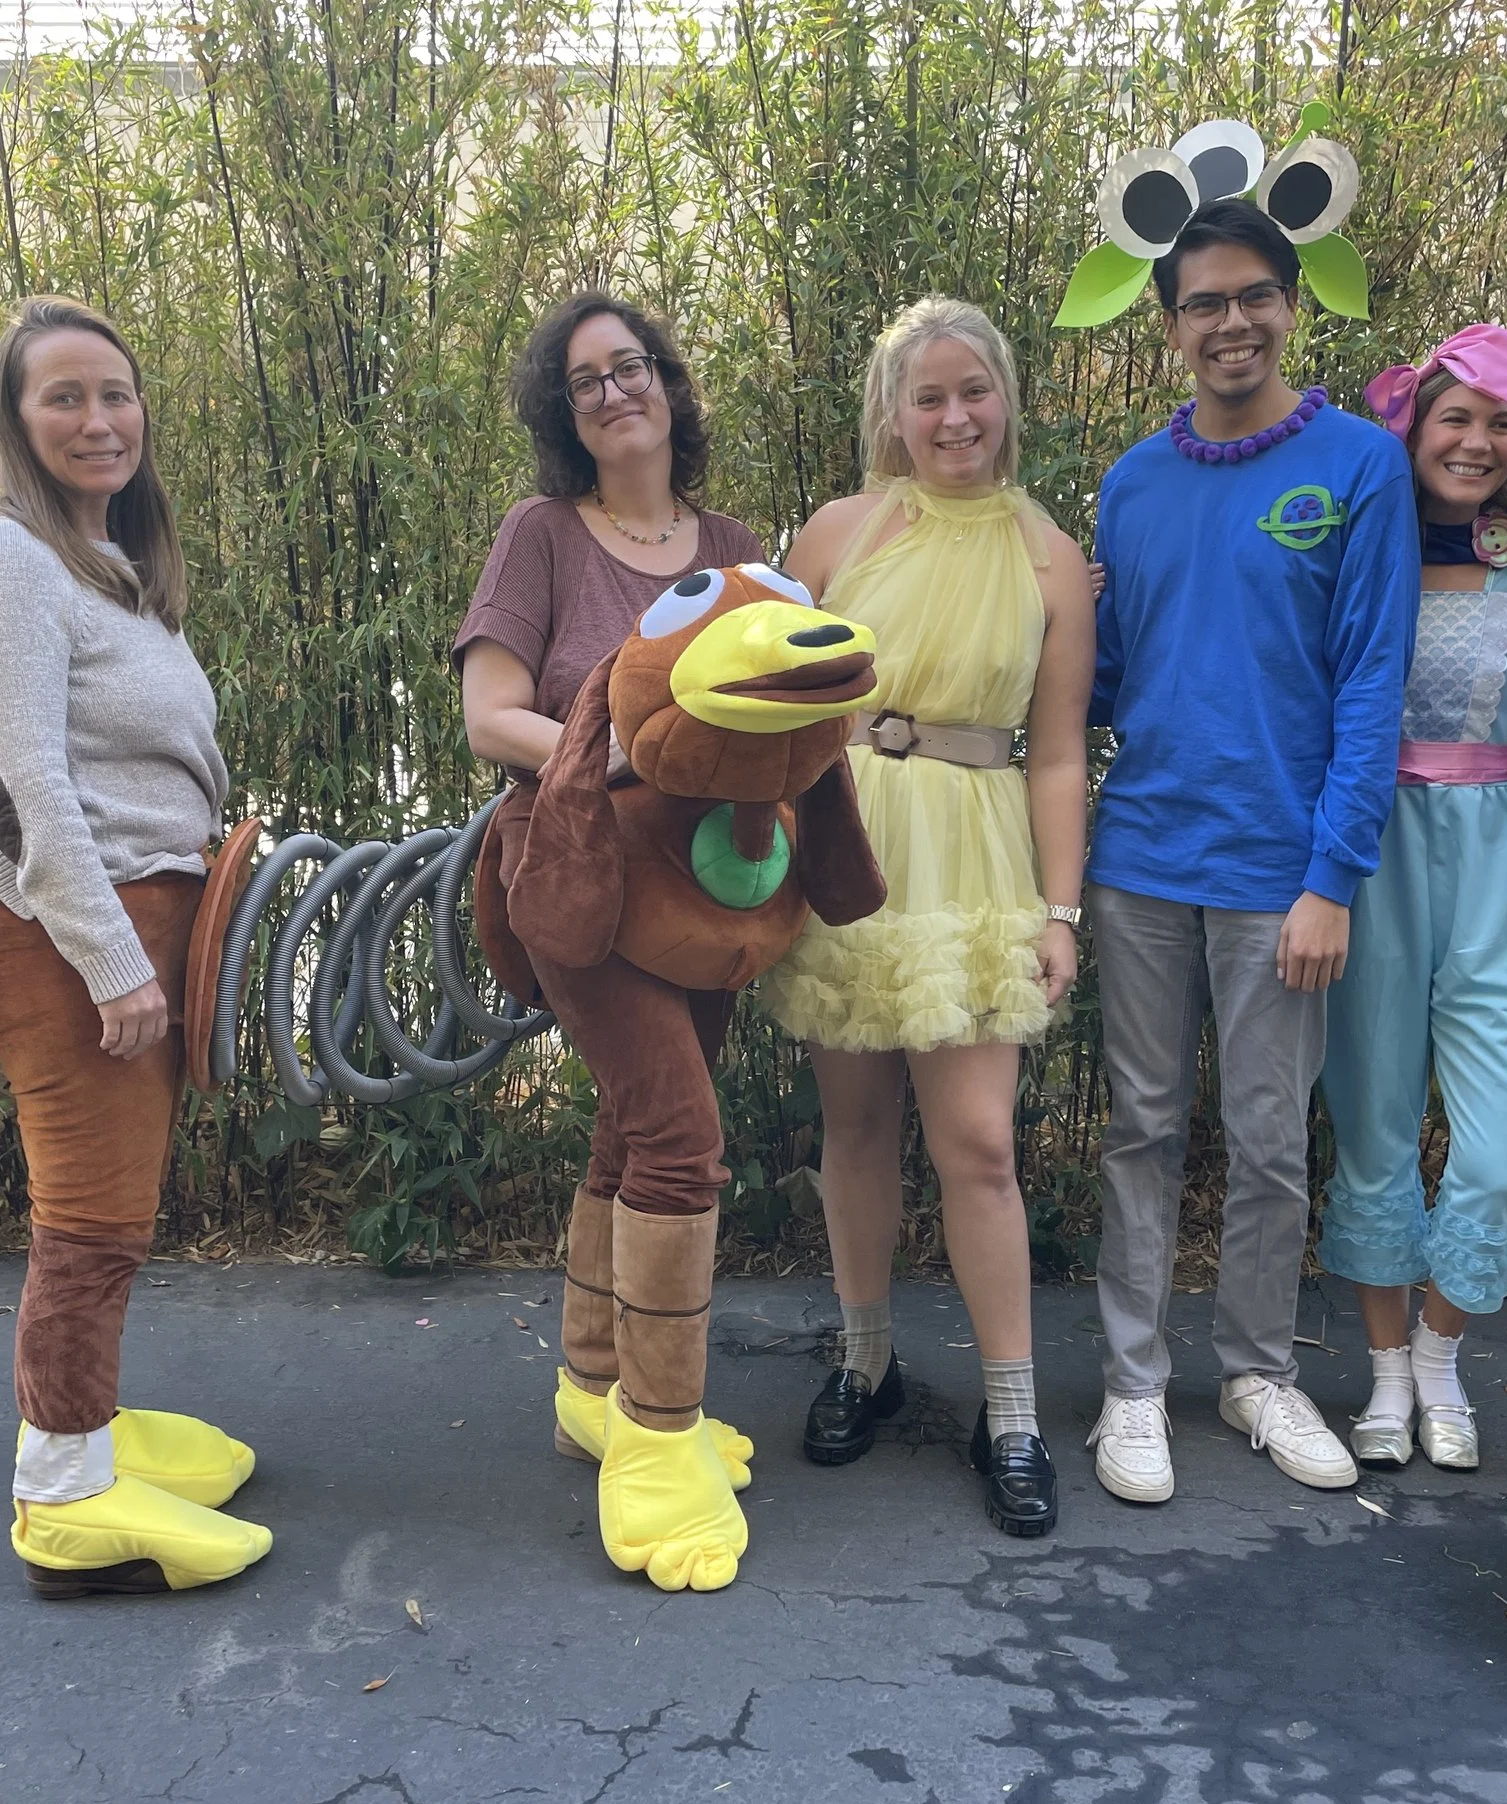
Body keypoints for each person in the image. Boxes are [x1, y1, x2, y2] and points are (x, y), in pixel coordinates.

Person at [0, 296, 270, 1597]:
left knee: (114, 1210)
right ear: (16, 421)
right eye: (62, 396)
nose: (97, 418)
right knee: (88, 1222)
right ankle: (64, 1493)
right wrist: (113, 964)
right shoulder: (4, 561)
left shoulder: (106, 566)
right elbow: (17, 786)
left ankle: (86, 1428)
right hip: (78, 938)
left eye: (114, 393)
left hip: (145, 915)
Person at [1083, 199, 1419, 1503]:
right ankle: (1131, 1381)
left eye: (1251, 297)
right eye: (1203, 302)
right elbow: (1108, 680)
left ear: (1292, 304)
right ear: (1171, 324)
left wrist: (1332, 874)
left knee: (1273, 1135)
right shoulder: (1131, 481)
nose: (1230, 321)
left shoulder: (1357, 466)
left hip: (1282, 870)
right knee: (1142, 1126)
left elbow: (1370, 683)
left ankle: (1258, 1369)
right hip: (1142, 856)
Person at [759, 297, 1096, 1539]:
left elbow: (1058, 752)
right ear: (892, 415)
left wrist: (1059, 909)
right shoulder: (838, 532)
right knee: (852, 1127)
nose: (954, 416)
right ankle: (863, 1360)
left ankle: (1011, 1415)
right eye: (929, 397)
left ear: (1006, 399)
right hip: (849, 841)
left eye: (974, 391)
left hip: (976, 844)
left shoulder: (1050, 554)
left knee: (979, 1145)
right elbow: (773, 700)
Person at [454, 291, 766, 1499]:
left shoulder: (733, 544)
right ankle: (657, 1431)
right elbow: (492, 714)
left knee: (631, 1130)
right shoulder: (539, 532)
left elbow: (767, 707)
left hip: (706, 884)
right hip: (577, 862)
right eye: (586, 381)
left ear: (669, 388)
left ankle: (590, 1388)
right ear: (566, 415)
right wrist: (624, 752)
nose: (614, 391)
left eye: (630, 367)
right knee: (682, 1140)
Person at [1320, 326, 1507, 1472]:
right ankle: (1380, 1378)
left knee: (1495, 1142)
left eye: (1498, 421)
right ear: (1410, 424)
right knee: (1371, 1119)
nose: (1474, 440)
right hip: (1371, 852)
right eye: (1452, 416)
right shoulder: (1354, 546)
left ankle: (1440, 1360)